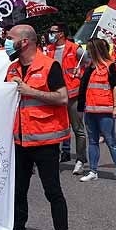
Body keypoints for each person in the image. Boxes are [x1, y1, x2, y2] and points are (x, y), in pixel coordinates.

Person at [1, 23, 71, 230]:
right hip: (20, 141)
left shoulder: (50, 65)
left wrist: (30, 91)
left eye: (10, 38)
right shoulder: (11, 69)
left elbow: (62, 97)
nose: (6, 41)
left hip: (45, 140)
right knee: (18, 191)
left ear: (25, 41)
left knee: (53, 192)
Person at [75, 37, 116, 185]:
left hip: (105, 110)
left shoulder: (109, 66)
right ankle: (93, 171)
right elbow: (84, 88)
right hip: (90, 110)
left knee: (111, 141)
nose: (87, 53)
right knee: (92, 141)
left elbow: (115, 87)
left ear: (96, 50)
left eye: (90, 50)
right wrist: (81, 107)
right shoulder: (89, 68)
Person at [44, 23, 85, 171]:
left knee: (78, 129)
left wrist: (79, 73)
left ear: (61, 33)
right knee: (56, 128)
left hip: (72, 95)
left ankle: (80, 160)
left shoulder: (75, 49)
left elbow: (90, 62)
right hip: (56, 95)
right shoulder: (49, 50)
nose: (50, 34)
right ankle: (59, 155)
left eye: (52, 32)